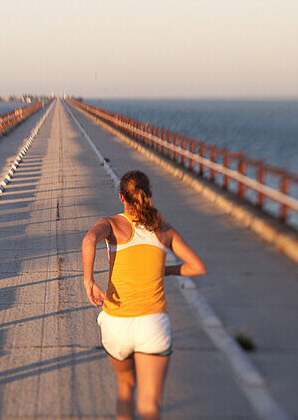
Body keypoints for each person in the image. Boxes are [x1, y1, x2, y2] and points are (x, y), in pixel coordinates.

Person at [82, 170, 206, 420]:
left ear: (121, 197)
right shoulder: (164, 229)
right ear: (149, 195)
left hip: (116, 323)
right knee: (150, 404)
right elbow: (197, 267)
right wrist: (165, 271)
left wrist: (89, 280)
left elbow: (88, 240)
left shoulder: (112, 224)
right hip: (152, 324)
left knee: (125, 388)